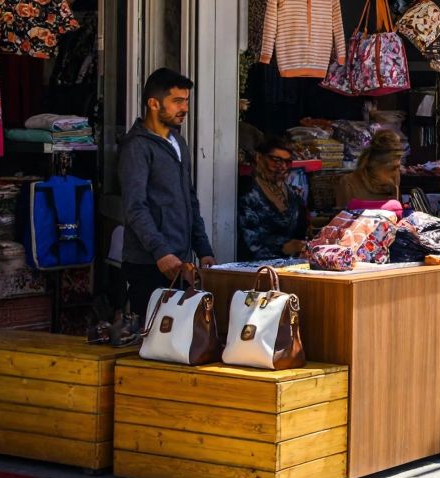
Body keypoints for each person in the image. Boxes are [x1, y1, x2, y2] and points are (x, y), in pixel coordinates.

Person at [119, 69, 215, 319]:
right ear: (153, 103)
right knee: (151, 338)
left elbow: (189, 199)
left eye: (186, 101)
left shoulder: (178, 142)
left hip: (180, 261)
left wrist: (203, 248)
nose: (184, 108)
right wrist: (161, 251)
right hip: (148, 262)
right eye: (177, 101)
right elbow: (135, 207)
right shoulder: (136, 147)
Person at [238, 137, 310, 260]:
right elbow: (249, 241)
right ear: (259, 158)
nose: (282, 167)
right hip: (256, 267)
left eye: (286, 162)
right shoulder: (248, 192)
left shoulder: (291, 192)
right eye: (276, 160)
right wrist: (282, 247)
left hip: (291, 265)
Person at [336, 129, 403, 209]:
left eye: (398, 167)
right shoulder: (349, 183)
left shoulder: (394, 181)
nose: (396, 174)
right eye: (393, 168)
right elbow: (342, 217)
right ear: (375, 165)